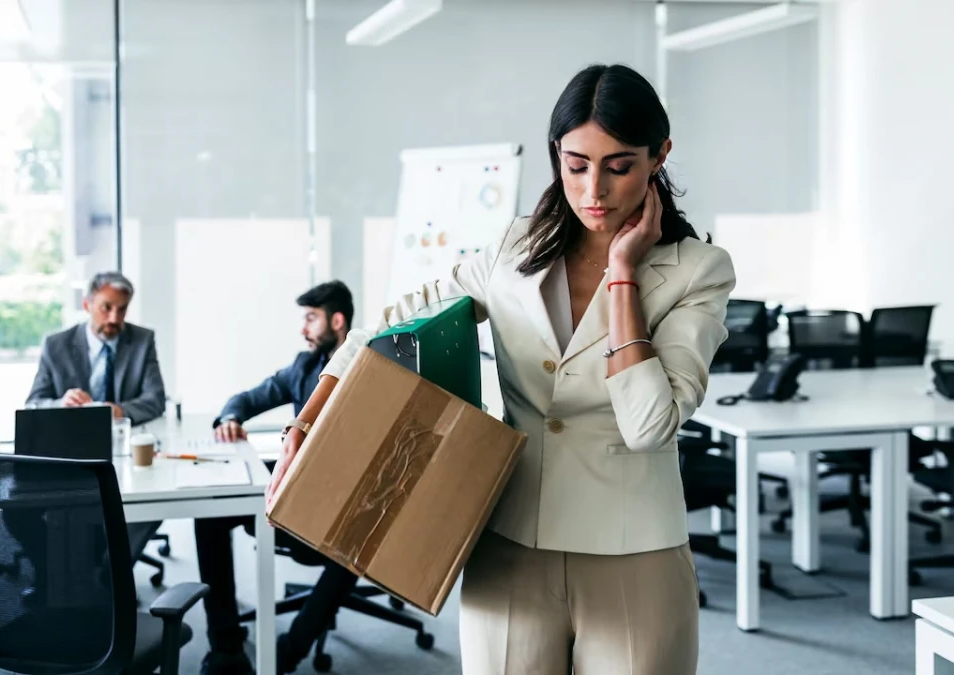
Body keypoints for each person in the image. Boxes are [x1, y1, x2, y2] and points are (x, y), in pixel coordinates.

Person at [269, 64, 735, 675]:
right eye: (575, 165)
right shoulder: (516, 249)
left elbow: (650, 424)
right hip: (512, 544)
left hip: (634, 552)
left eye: (618, 166)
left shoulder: (698, 270)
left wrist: (622, 275)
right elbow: (387, 325)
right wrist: (306, 423)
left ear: (658, 156)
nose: (593, 188)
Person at [196, 281, 360, 675]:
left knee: (356, 554)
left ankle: (287, 653)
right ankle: (226, 647)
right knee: (209, 514)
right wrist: (231, 417)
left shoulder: (366, 371)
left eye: (310, 319)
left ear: (336, 321)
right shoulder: (303, 367)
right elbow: (249, 398)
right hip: (295, 495)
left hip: (343, 505)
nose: (304, 329)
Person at [25, 271, 166, 425]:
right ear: (87, 305)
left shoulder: (142, 341)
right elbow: (34, 404)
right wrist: (61, 405)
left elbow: (156, 400)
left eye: (122, 309)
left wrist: (120, 411)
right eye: (106, 308)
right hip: (70, 436)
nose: (114, 318)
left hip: (124, 437)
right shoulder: (56, 345)